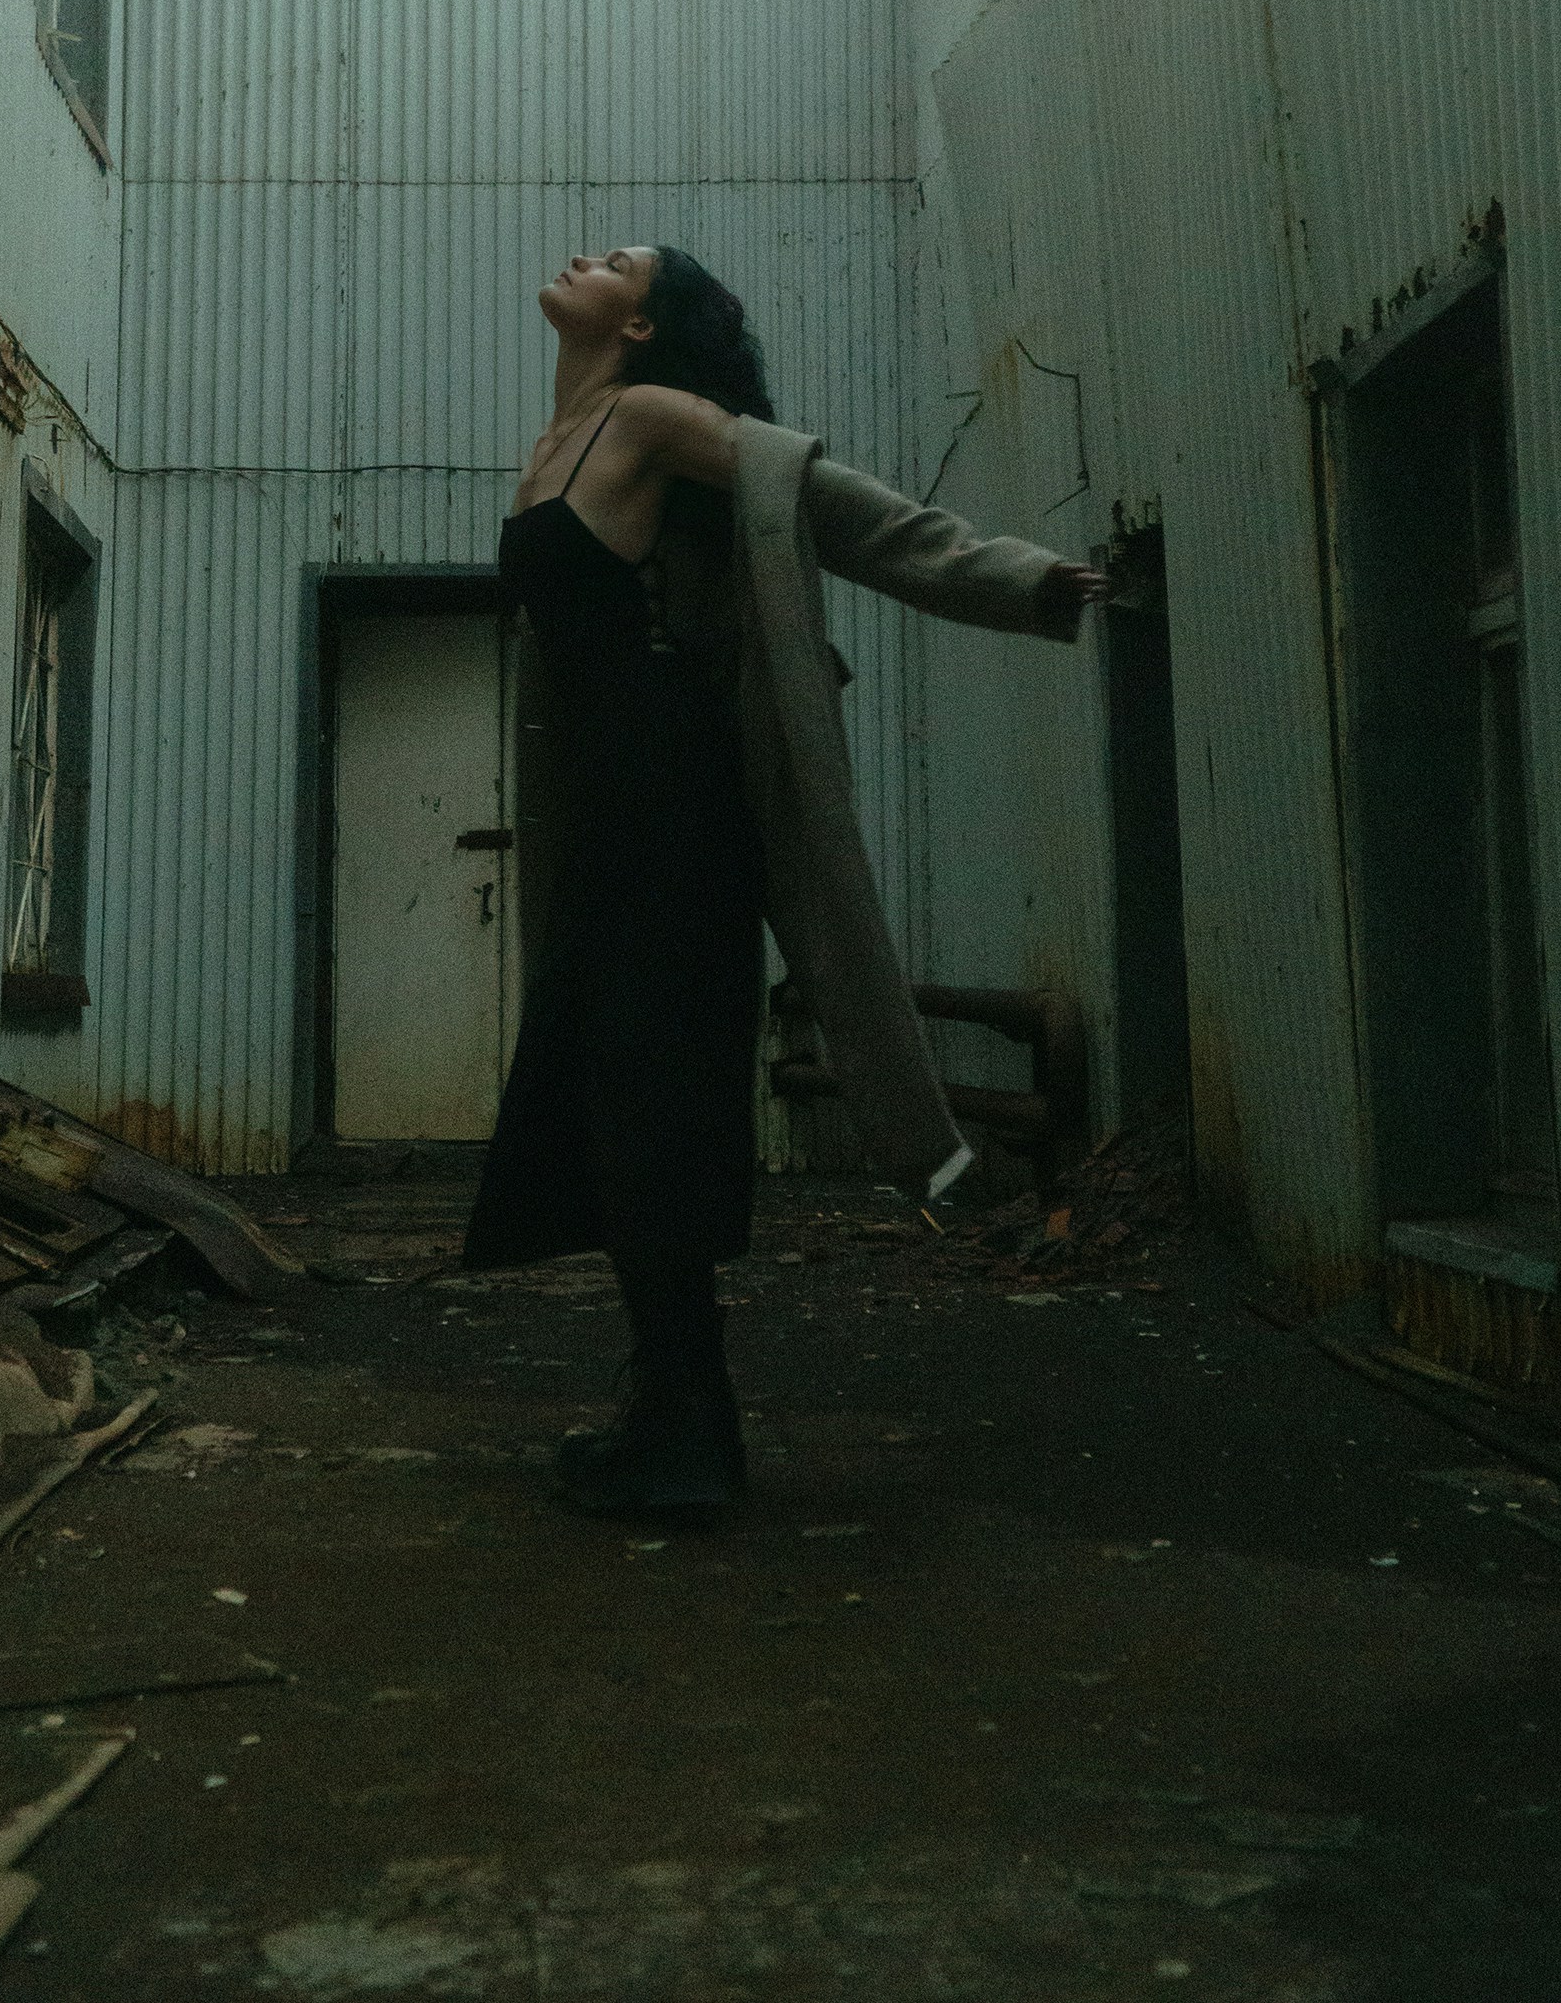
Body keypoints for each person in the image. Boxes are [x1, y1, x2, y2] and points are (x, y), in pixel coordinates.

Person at [462, 245, 1106, 1522]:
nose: (584, 256)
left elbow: (824, 499)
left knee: (653, 1086)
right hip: (603, 808)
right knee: (608, 1092)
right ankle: (667, 1407)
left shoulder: (650, 417)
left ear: (640, 324)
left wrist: (1017, 578)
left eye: (619, 261)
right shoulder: (562, 433)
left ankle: (691, 1433)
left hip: (670, 797)